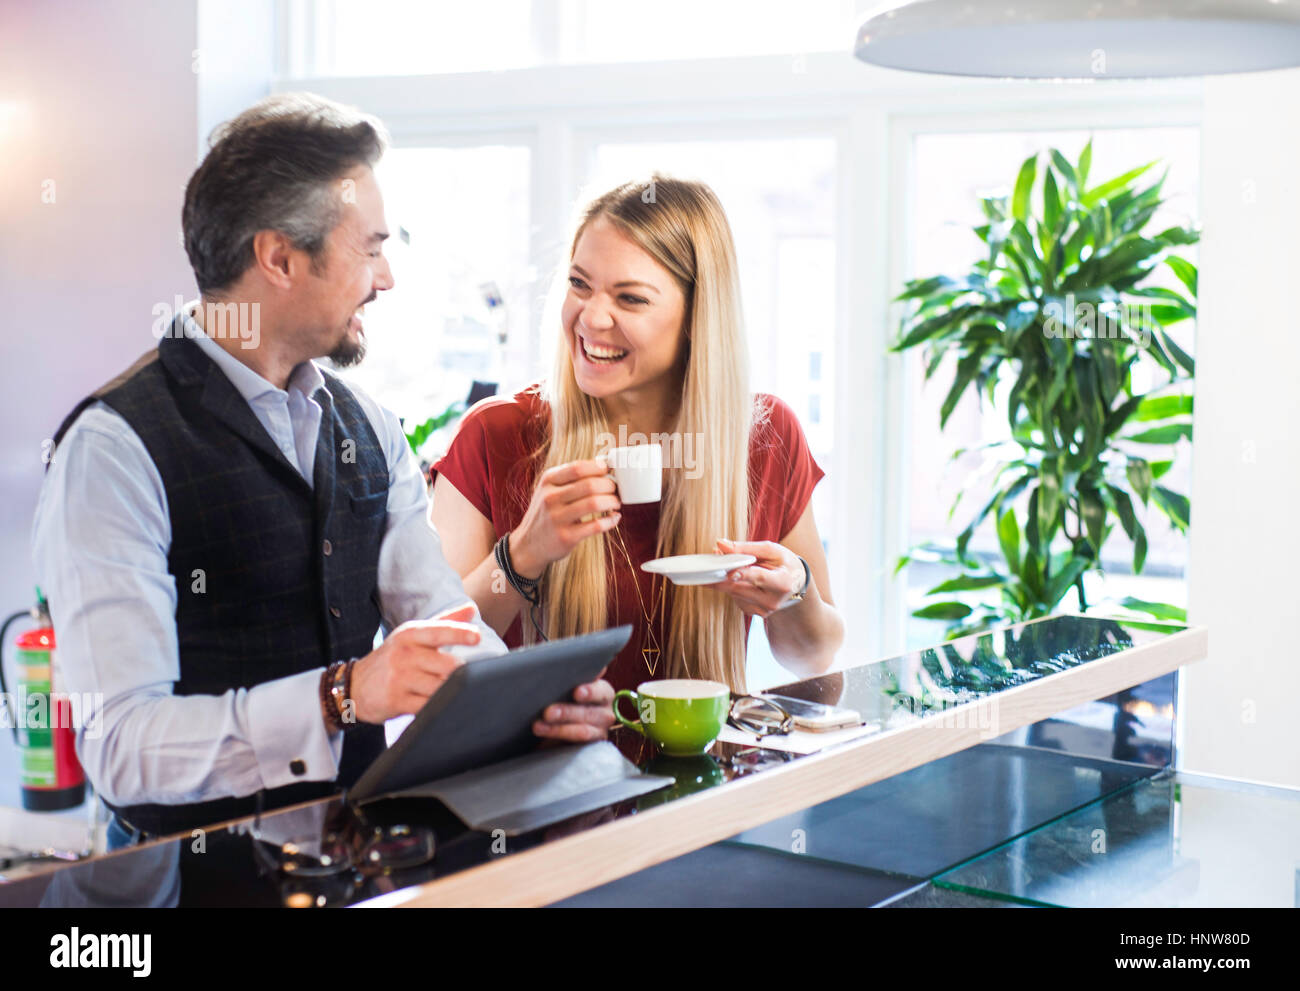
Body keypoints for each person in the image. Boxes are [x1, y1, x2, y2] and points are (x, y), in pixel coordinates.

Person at [31, 93, 613, 848]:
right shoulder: (112, 451)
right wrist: (340, 696)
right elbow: (122, 749)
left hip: (359, 871)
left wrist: (536, 703)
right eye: (370, 247)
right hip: (186, 886)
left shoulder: (368, 424)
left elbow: (444, 628)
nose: (388, 277)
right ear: (279, 258)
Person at [432, 175, 845, 703]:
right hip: (544, 777)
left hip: (703, 775)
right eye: (580, 284)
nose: (591, 317)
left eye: (629, 298)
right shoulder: (495, 434)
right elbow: (437, 656)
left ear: (699, 316)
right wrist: (523, 555)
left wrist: (795, 593)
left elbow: (812, 656)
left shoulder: (765, 435)